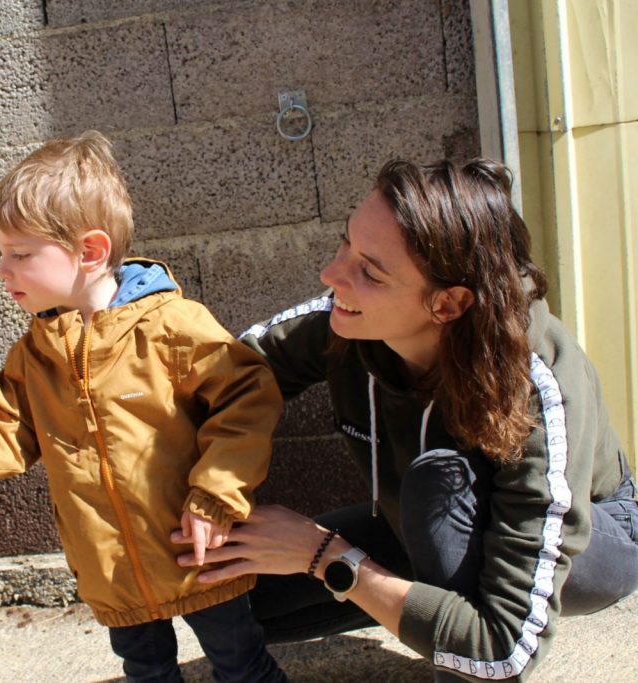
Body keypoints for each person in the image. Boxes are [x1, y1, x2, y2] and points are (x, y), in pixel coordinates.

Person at [0, 131, 289, 682]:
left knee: (241, 666)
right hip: (111, 570)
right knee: (147, 672)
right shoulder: (35, 355)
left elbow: (247, 398)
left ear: (89, 252)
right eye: (2, 252)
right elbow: (1, 435)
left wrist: (215, 497)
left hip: (198, 553)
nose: (3, 270)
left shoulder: (171, 326)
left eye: (20, 254)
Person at [173, 158, 638, 682]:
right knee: (229, 589)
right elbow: (224, 377)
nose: (332, 275)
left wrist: (325, 555)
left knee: (439, 487)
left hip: (596, 542)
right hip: (417, 523)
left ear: (448, 303)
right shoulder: (344, 324)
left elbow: (507, 645)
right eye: (346, 244)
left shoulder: (534, 384)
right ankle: (433, 606)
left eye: (370, 271)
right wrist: (207, 490)